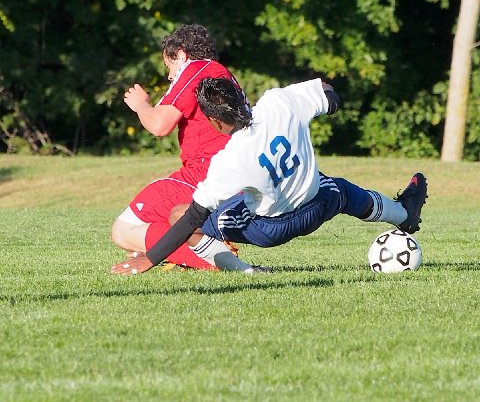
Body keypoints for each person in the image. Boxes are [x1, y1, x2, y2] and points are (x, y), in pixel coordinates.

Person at [111, 76, 428, 276]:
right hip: (318, 204)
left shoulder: (230, 160)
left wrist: (149, 259)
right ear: (241, 96)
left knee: (179, 214)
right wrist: (329, 104)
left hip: (272, 229)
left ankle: (246, 272)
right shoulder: (278, 102)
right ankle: (403, 214)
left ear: (214, 121)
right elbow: (327, 92)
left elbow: (191, 217)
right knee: (342, 190)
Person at [111, 24, 251, 270]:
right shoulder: (221, 74)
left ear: (183, 55)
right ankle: (201, 248)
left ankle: (213, 260)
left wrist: (141, 105)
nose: (169, 76)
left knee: (123, 230)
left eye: (169, 66)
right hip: (230, 172)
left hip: (204, 173)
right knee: (152, 228)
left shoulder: (196, 68)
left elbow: (159, 125)